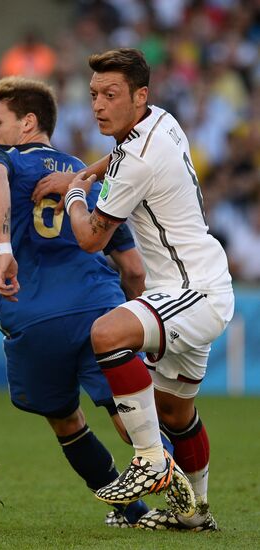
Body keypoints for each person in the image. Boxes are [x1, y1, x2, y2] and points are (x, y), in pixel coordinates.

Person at [0, 76, 185, 528]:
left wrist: (5, 249)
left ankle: (130, 511)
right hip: (97, 307)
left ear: (28, 123)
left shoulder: (0, 158)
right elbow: (133, 268)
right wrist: (138, 321)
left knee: (66, 422)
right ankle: (184, 504)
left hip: (32, 313)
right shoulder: (87, 176)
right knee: (129, 413)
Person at [35, 48, 234, 531]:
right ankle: (195, 514)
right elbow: (122, 155)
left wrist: (77, 191)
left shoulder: (137, 160)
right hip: (199, 284)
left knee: (107, 333)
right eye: (94, 96)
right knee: (174, 411)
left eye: (111, 95)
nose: (99, 105)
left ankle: (148, 459)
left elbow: (89, 239)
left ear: (139, 96)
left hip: (193, 289)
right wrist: (89, 171)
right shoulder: (161, 120)